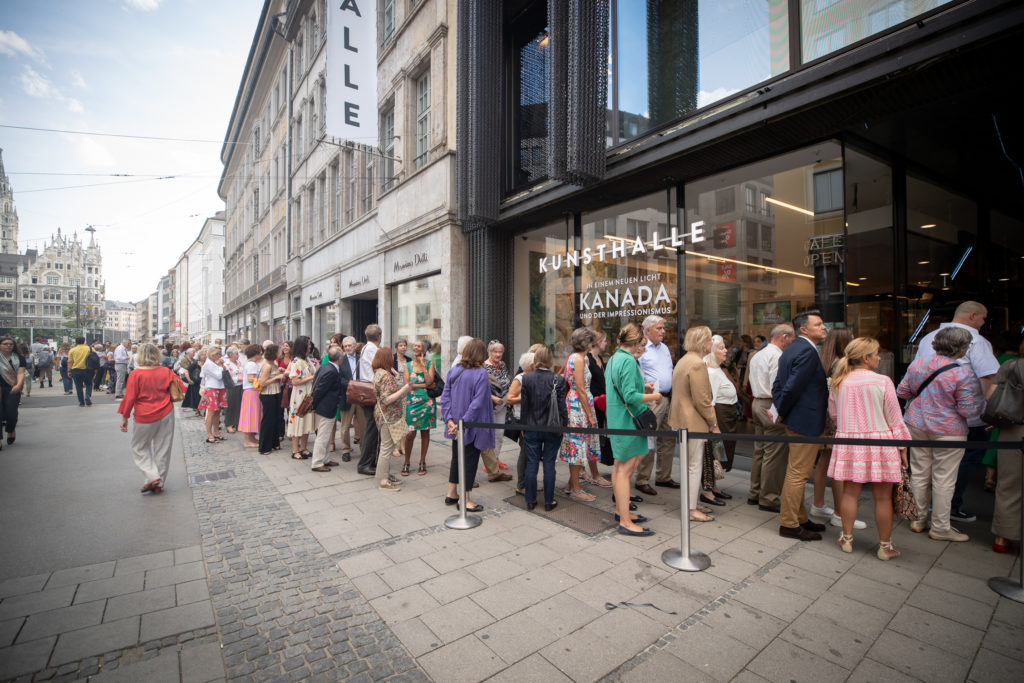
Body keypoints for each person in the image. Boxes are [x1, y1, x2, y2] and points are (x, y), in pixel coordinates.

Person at [913, 301, 1000, 523]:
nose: (984, 322)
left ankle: (918, 517)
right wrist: (990, 412)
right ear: (973, 316)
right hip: (961, 421)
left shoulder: (926, 338)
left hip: (922, 418)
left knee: (923, 469)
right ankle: (944, 516)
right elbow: (988, 379)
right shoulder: (977, 342)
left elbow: (908, 387)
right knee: (948, 471)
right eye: (983, 317)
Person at [897, 326, 984, 542]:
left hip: (917, 424)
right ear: (961, 348)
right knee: (944, 478)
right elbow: (967, 410)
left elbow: (903, 391)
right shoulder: (962, 373)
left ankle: (918, 519)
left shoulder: (918, 364)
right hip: (949, 430)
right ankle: (940, 526)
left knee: (918, 471)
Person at [828, 337, 911, 559]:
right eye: (875, 353)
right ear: (865, 358)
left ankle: (846, 538)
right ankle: (885, 546)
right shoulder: (882, 381)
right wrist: (903, 447)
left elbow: (834, 416)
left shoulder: (839, 381)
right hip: (881, 441)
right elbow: (895, 418)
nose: (879, 357)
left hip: (850, 441)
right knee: (883, 497)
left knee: (850, 493)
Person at [772, 310, 829, 541]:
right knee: (798, 474)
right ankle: (789, 524)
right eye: (819, 324)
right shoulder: (806, 351)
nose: (824, 327)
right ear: (804, 329)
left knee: (798, 471)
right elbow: (790, 387)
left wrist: (781, 411)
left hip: (797, 418)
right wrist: (783, 412)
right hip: (804, 421)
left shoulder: (792, 349)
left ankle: (800, 517)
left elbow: (778, 386)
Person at [607, 323, 664, 536]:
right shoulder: (629, 361)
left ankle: (622, 512)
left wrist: (644, 388)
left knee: (619, 467)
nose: (643, 347)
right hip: (628, 421)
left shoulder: (614, 358)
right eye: (642, 343)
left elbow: (621, 390)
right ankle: (625, 521)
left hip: (617, 419)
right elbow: (630, 396)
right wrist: (655, 396)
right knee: (625, 470)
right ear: (636, 342)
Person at [811, 328, 866, 530]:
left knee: (824, 462)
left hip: (824, 417)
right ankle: (839, 512)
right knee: (838, 465)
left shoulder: (824, 360)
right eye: (851, 339)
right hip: (837, 418)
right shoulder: (841, 365)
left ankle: (818, 504)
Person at [117, 343, 184, 494]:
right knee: (163, 448)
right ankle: (158, 481)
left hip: (144, 414)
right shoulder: (165, 371)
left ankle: (152, 477)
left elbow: (129, 398)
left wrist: (125, 417)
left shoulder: (136, 374)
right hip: (166, 412)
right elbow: (181, 387)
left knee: (139, 447)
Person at [669, 325, 719, 523]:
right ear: (702, 342)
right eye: (709, 340)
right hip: (693, 421)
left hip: (683, 419)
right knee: (694, 465)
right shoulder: (697, 363)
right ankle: (690, 508)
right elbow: (702, 400)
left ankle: (691, 502)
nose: (711, 344)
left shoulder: (684, 360)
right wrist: (713, 422)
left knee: (690, 464)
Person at [440, 338, 492, 511]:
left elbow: (445, 397)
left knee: (457, 457)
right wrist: (463, 423)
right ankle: (466, 499)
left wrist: (450, 421)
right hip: (471, 425)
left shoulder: (454, 371)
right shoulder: (481, 373)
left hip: (455, 423)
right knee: (469, 460)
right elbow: (477, 403)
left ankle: (452, 492)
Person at [747, 324, 794, 511]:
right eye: (791, 339)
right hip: (770, 404)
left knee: (760, 451)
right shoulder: (777, 356)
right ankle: (769, 497)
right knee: (774, 453)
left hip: (758, 402)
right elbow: (778, 386)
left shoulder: (758, 354)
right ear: (784, 337)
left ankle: (755, 492)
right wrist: (780, 410)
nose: (792, 343)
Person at [519, 345, 568, 512]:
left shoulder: (527, 379)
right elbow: (562, 407)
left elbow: (524, 407)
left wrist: (523, 426)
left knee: (532, 463)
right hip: (552, 428)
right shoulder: (558, 380)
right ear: (550, 360)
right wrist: (565, 425)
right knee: (549, 463)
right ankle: (548, 501)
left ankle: (530, 501)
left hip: (531, 426)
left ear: (535, 360)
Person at [636, 315, 680, 496]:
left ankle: (663, 476)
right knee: (649, 439)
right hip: (652, 399)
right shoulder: (641, 349)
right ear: (647, 331)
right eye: (659, 328)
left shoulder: (664, 348)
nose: (663, 331)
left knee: (668, 439)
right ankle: (642, 479)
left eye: (663, 328)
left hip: (668, 398)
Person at [558, 327, 601, 501]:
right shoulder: (579, 360)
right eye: (591, 341)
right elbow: (581, 389)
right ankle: (575, 488)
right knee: (577, 446)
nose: (593, 344)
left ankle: (572, 484)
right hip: (579, 405)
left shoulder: (574, 357)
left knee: (579, 444)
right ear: (586, 343)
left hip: (576, 402)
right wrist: (590, 415)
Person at [991, 344, 1024, 553]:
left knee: (1009, 484)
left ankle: (1003, 538)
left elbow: (992, 397)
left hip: (1015, 429)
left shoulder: (1012, 365)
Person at [701, 335, 736, 506]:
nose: (726, 351)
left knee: (719, 453)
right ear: (712, 351)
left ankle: (714, 486)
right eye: (721, 348)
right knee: (714, 453)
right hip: (719, 416)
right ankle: (707, 490)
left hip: (726, 415)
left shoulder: (718, 368)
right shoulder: (711, 372)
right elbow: (710, 402)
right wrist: (714, 426)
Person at [372, 346, 413, 491]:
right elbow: (387, 399)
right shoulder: (386, 376)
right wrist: (404, 389)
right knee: (386, 448)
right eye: (390, 356)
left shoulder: (379, 373)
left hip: (382, 414)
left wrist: (394, 373)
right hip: (387, 416)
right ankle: (383, 482)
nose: (393, 358)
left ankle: (386, 475)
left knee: (386, 446)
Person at [479, 340, 514, 483]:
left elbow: (507, 382)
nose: (498, 354)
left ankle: (496, 459)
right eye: (495, 352)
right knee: (490, 434)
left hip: (503, 405)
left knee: (499, 434)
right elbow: (480, 389)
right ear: (489, 352)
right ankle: (490, 465)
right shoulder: (483, 367)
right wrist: (493, 397)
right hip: (490, 406)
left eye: (500, 352)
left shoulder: (503, 365)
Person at [401, 340, 436, 476]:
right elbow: (407, 385)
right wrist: (424, 386)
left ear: (424, 350)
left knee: (425, 432)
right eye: (414, 345)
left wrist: (423, 366)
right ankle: (407, 461)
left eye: (418, 346)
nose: (415, 347)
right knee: (410, 434)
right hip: (412, 403)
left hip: (427, 403)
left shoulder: (429, 364)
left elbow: (430, 381)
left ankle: (422, 461)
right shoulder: (407, 365)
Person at [507, 348, 537, 495]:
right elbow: (509, 398)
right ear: (531, 365)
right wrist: (525, 398)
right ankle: (521, 485)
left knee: (531, 452)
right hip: (522, 419)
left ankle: (528, 482)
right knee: (525, 451)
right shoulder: (520, 378)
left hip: (533, 419)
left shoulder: (534, 377)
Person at [310, 345, 344, 473]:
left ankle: (325, 459)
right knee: (323, 436)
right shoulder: (331, 370)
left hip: (325, 406)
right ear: (339, 358)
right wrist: (314, 404)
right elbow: (319, 390)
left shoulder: (325, 367)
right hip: (326, 407)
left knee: (326, 434)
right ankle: (317, 462)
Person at [356, 325, 383, 476]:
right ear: (379, 336)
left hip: (368, 391)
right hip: (371, 391)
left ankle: (370, 461)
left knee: (373, 429)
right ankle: (365, 463)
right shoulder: (373, 350)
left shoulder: (367, 348)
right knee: (372, 430)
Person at [284, 336, 316, 459]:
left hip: (308, 394)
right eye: (308, 344)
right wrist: (311, 378)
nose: (310, 346)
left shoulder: (307, 360)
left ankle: (304, 447)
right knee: (297, 420)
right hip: (299, 395)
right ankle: (295, 450)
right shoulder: (296, 362)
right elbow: (295, 381)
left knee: (306, 420)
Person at [587, 330, 614, 475]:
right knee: (590, 438)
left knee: (596, 438)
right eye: (604, 340)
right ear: (597, 342)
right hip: (592, 403)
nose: (606, 343)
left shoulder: (600, 359)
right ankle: (592, 472)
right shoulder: (588, 359)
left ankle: (591, 471)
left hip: (601, 402)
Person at [258, 344, 287, 454]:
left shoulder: (273, 363)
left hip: (275, 392)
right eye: (279, 351)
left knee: (275, 419)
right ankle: (264, 447)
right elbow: (263, 382)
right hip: (268, 394)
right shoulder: (267, 366)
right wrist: (276, 377)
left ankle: (275, 443)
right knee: (268, 420)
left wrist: (279, 371)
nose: (280, 353)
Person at [336, 336, 360, 462]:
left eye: (350, 345)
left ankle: (364, 447)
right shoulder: (340, 360)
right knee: (345, 426)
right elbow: (339, 378)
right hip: (347, 396)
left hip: (361, 396)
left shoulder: (362, 358)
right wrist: (352, 384)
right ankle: (345, 449)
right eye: (345, 346)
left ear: (355, 346)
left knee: (363, 424)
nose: (348, 348)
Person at [0, 337, 26, 447]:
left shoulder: (19, 357)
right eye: (5, 344)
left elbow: (21, 373)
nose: (8, 346)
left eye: (11, 344)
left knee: (11, 413)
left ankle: (11, 430)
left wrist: (18, 385)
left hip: (11, 387)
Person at [198, 346, 227, 443]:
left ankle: (216, 432)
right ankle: (209, 433)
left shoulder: (213, 363)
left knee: (218, 411)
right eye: (218, 354)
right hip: (212, 388)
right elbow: (219, 376)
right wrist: (220, 367)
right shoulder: (208, 364)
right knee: (211, 412)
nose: (220, 356)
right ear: (213, 354)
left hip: (219, 388)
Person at [238, 344, 263, 449]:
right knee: (249, 415)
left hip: (252, 392)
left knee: (252, 415)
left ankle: (251, 438)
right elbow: (250, 378)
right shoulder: (251, 364)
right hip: (251, 391)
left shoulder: (251, 363)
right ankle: (247, 441)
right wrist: (263, 381)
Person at [222, 346, 244, 434]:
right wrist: (242, 379)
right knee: (231, 405)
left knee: (239, 405)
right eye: (236, 354)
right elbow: (230, 377)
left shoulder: (239, 362)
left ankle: (238, 422)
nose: (238, 355)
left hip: (241, 385)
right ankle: (229, 424)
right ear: (231, 355)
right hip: (232, 386)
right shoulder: (227, 364)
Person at [68, 336, 94, 407]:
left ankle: (81, 402)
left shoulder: (72, 350)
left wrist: (69, 371)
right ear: (84, 341)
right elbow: (94, 358)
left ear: (76, 342)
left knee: (78, 386)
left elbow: (70, 362)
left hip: (76, 370)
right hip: (88, 369)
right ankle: (87, 395)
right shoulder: (90, 348)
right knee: (89, 384)